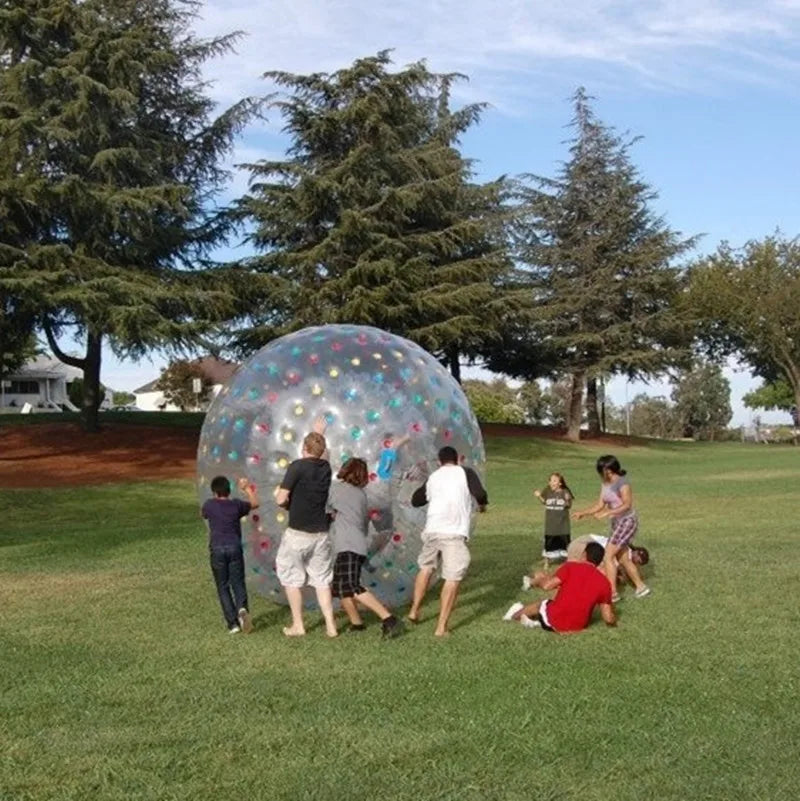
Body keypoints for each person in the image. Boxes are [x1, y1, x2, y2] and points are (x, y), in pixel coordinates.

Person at [407, 446, 488, 637]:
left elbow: (416, 500)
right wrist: (482, 504)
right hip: (453, 532)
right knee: (453, 577)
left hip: (432, 530)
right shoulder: (465, 472)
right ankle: (441, 627)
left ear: (439, 461)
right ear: (457, 460)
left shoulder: (434, 477)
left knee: (426, 568)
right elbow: (480, 493)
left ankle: (414, 610)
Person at [274, 420, 338, 638]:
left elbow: (281, 498)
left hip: (298, 534)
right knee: (321, 580)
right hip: (321, 534)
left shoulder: (297, 466)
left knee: (291, 578)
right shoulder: (326, 468)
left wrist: (280, 497)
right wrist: (319, 434)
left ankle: (298, 625)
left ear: (304, 449)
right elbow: (323, 455)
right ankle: (331, 625)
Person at [328, 457, 403, 637]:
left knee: (352, 587)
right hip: (356, 544)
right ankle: (356, 622)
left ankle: (388, 618)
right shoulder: (360, 494)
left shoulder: (336, 489)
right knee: (340, 588)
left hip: (348, 545)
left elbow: (326, 509)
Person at [572, 455, 651, 600]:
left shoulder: (623, 483)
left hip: (627, 521)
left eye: (603, 470)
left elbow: (627, 504)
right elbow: (599, 505)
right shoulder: (605, 484)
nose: (602, 474)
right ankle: (641, 587)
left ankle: (612, 592)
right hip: (617, 523)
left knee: (608, 555)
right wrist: (583, 513)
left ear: (609, 470)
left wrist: (608, 512)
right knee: (623, 558)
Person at [503, 541, 616, 633]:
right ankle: (533, 622)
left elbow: (547, 586)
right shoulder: (604, 583)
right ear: (599, 561)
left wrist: (538, 581)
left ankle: (513, 617)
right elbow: (608, 618)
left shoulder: (570, 567)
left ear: (584, 555)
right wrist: (614, 622)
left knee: (542, 604)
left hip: (556, 620)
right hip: (579, 626)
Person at [201, 475, 260, 634]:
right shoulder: (236, 505)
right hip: (234, 548)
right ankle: (242, 609)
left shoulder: (209, 505)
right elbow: (255, 503)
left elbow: (204, 514)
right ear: (229, 490)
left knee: (223, 586)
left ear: (214, 492)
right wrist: (247, 488)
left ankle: (232, 624)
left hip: (217, 549)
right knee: (238, 582)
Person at [534, 472, 573, 565]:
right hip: (550, 524)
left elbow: (569, 506)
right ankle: (547, 562)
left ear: (560, 483)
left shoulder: (565, 492)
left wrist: (568, 500)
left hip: (562, 525)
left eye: (554, 480)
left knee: (564, 543)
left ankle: (567, 561)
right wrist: (539, 496)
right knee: (549, 542)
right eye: (550, 480)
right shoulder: (547, 491)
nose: (551, 482)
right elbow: (545, 502)